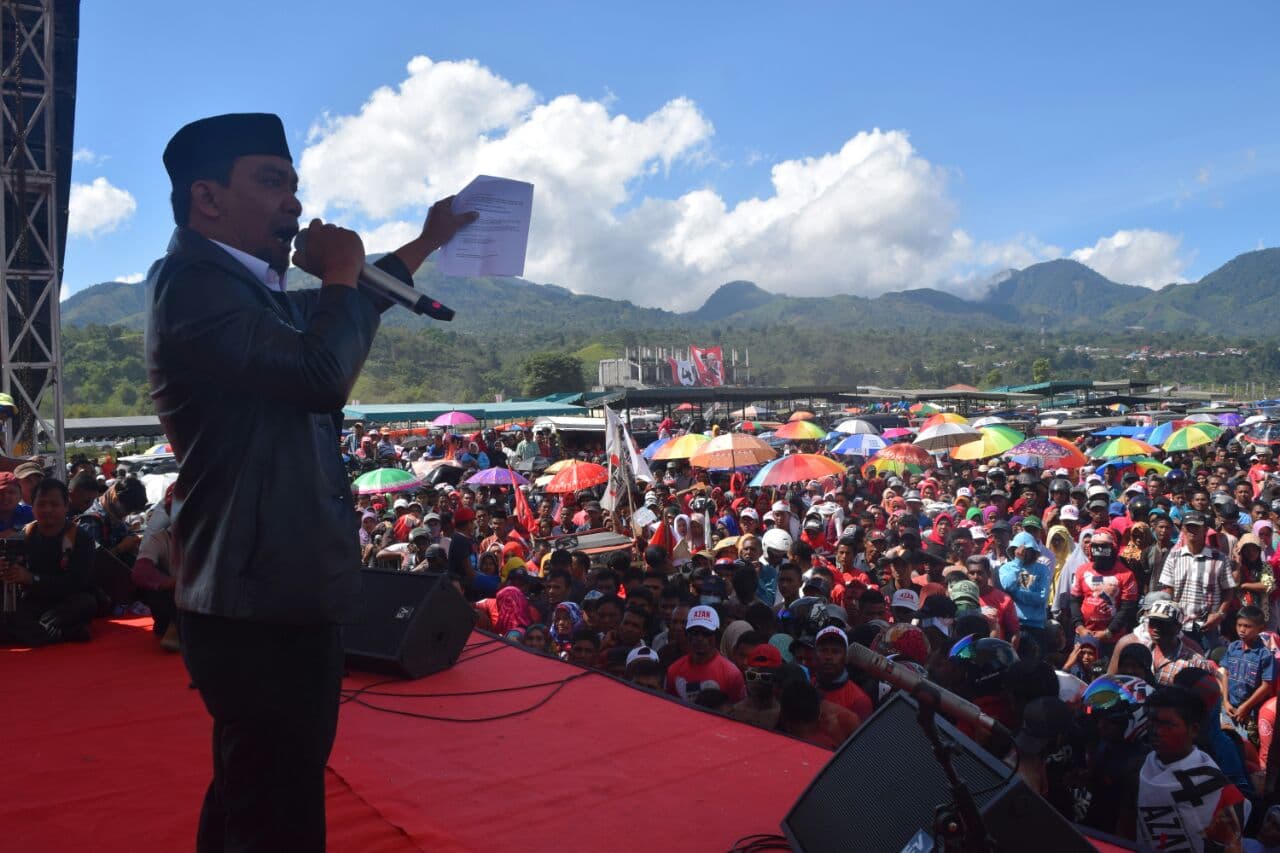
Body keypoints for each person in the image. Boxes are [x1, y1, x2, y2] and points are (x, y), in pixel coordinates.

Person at [147, 112, 475, 851]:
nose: (295, 202)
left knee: (253, 786)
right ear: (207, 197)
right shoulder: (195, 287)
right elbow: (321, 372)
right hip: (258, 599)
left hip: (260, 589)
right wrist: (336, 272)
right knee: (279, 810)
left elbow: (348, 310)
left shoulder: (240, 291)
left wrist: (424, 243)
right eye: (271, 181)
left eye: (295, 184)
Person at [1138, 686, 1244, 852]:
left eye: (1167, 725)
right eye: (1152, 722)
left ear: (1193, 730)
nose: (1157, 731)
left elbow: (1230, 845)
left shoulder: (1217, 787)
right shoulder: (1139, 769)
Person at [0, 478, 97, 646]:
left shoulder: (81, 538)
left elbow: (78, 583)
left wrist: (32, 578)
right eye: (41, 504)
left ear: (66, 506)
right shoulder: (23, 536)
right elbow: (11, 583)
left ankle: (36, 633)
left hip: (65, 601)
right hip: (32, 602)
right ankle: (64, 633)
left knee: (86, 603)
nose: (47, 510)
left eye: (54, 504)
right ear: (33, 506)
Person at [664, 605, 746, 704]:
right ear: (688, 634)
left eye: (706, 633)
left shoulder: (732, 674)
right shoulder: (674, 671)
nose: (700, 638)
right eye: (695, 632)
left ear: (716, 634)